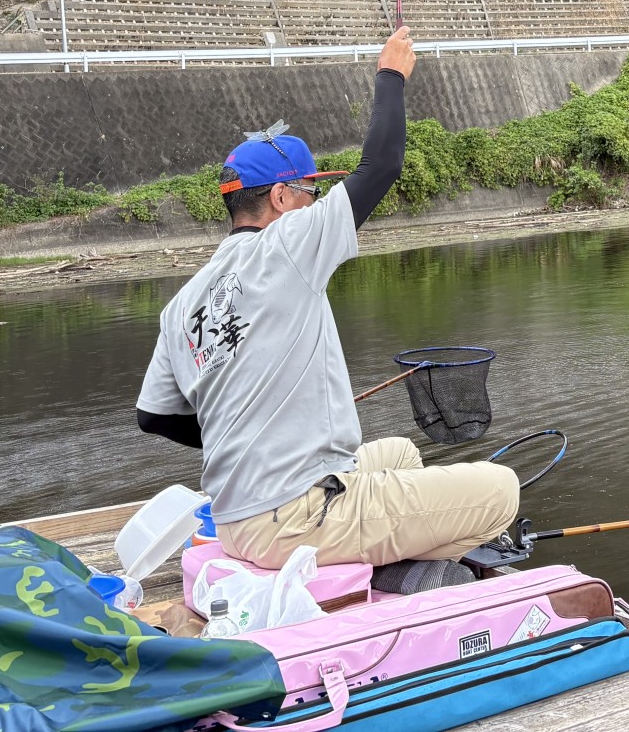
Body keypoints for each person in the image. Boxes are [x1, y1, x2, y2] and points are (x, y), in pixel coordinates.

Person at [135, 28, 519, 574]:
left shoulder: (184, 301)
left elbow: (153, 417)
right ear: (280, 197)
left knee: (399, 457)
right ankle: (403, 577)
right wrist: (390, 75)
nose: (316, 201)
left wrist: (249, 437)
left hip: (238, 518)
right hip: (294, 519)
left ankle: (379, 547)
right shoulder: (286, 245)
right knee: (499, 491)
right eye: (310, 191)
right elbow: (380, 168)